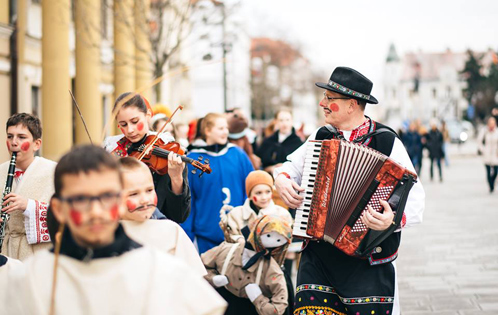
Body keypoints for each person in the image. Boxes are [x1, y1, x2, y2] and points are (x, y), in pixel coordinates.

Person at [274, 67, 425, 315]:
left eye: (330, 99)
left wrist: (392, 219)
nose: (322, 103)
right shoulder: (320, 136)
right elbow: (290, 166)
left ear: (351, 105)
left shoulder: (387, 141)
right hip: (319, 256)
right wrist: (281, 179)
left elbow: (415, 198)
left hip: (367, 260)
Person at [8, 145, 226, 314]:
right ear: (59, 209)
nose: (95, 211)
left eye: (106, 197)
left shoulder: (162, 271)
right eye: (81, 199)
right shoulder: (30, 278)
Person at [103, 92, 190, 223]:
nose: (130, 130)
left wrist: (176, 178)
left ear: (148, 115)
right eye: (123, 124)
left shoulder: (166, 149)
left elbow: (179, 215)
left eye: (134, 121)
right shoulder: (112, 151)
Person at [117, 157, 206, 275]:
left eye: (149, 190)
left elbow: (195, 279)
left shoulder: (171, 231)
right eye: (134, 194)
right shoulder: (106, 235)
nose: (145, 200)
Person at [181, 113, 254, 254]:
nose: (225, 132)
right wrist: (188, 237)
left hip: (239, 235)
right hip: (205, 237)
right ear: (207, 131)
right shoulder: (192, 160)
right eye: (220, 128)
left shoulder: (238, 155)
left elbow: (250, 190)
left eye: (226, 128)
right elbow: (188, 201)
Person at [202, 215, 291, 315]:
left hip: (251, 309)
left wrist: (259, 299)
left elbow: (279, 307)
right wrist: (212, 279)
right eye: (269, 236)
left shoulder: (272, 269)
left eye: (279, 240)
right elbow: (198, 266)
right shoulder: (226, 250)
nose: (272, 241)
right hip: (223, 303)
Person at [0, 113, 56, 260]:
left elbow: (65, 213)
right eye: (10, 136)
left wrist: (29, 206)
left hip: (38, 256)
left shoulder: (54, 172)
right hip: (6, 253)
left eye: (21, 137)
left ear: (36, 144)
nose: (14, 142)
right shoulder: (1, 171)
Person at [220, 170, 292, 242]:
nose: (264, 197)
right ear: (250, 196)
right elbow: (230, 239)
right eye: (258, 193)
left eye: (268, 192)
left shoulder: (282, 214)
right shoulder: (236, 214)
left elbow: (289, 241)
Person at [256, 109, 303, 175]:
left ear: (292, 121)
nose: (284, 123)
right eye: (281, 120)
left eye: (287, 120)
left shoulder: (299, 143)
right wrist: (271, 168)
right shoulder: (268, 141)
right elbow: (260, 162)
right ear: (276, 121)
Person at [477, 117, 498, 193]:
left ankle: (492, 181)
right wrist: (483, 150)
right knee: (488, 171)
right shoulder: (484, 131)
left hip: (495, 154)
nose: (492, 125)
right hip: (487, 154)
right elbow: (479, 141)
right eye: (490, 123)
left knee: (496, 171)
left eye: (493, 123)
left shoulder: (497, 131)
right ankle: (490, 186)